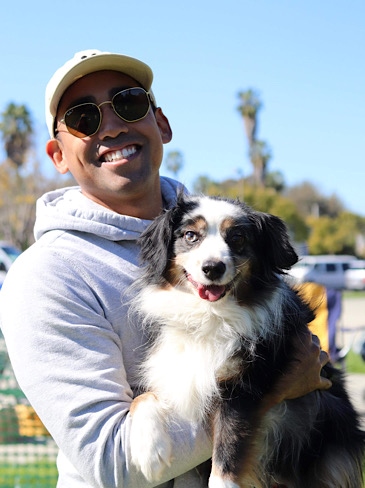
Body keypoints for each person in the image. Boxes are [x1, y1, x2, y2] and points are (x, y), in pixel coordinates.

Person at [0, 50, 332, 488]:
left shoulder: (225, 231)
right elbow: (113, 461)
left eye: (129, 103)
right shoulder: (45, 276)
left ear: (162, 124)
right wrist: (273, 388)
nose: (113, 125)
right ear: (58, 155)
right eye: (84, 118)